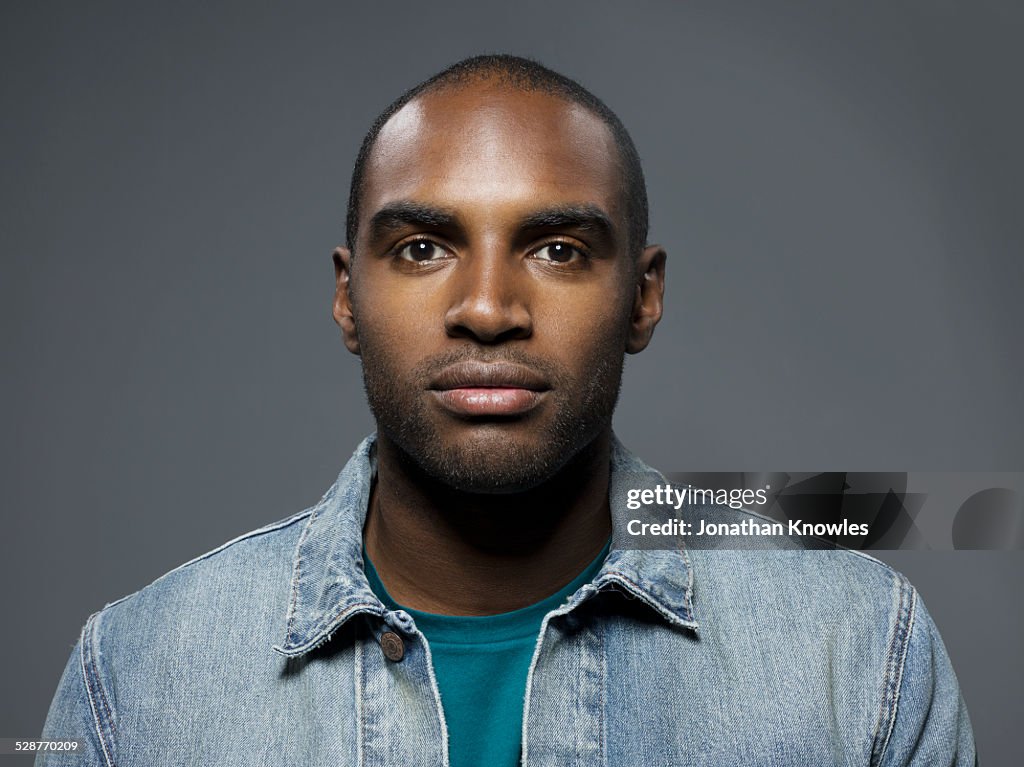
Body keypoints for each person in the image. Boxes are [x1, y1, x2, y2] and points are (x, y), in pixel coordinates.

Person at [39, 55, 975, 766]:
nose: (488, 309)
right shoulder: (137, 671)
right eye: (420, 248)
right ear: (345, 297)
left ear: (643, 299)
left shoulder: (857, 654)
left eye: (559, 249)